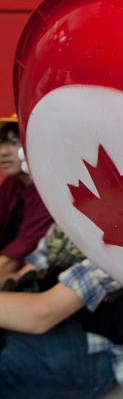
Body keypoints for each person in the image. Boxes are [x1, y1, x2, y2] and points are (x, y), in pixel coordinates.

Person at [0, 222, 123, 399]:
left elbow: (43, 313)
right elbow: (24, 275)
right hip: (64, 320)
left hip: (105, 351)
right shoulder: (68, 218)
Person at [0, 115, 54, 283]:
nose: (3, 152)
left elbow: (24, 246)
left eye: (15, 143)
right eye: (1, 143)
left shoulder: (48, 188)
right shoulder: (12, 182)